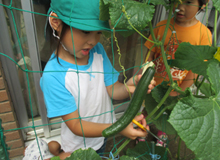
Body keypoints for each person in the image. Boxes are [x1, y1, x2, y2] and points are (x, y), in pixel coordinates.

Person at [40, 0, 155, 156]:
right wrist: (119, 128)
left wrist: (134, 84)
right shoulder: (53, 76)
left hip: (102, 135)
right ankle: (60, 152)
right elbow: (75, 125)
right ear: (56, 23)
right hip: (78, 147)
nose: (93, 41)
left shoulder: (97, 52)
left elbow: (113, 89)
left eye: (98, 32)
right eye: (85, 31)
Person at [142, 0, 212, 147]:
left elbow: (196, 70)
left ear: (202, 5)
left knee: (167, 114)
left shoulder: (203, 34)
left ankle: (162, 134)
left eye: (188, 2)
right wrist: (145, 76)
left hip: (176, 86)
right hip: (153, 83)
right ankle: (141, 129)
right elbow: (150, 53)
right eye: (176, 1)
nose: (180, 8)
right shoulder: (162, 26)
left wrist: (180, 90)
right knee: (147, 109)